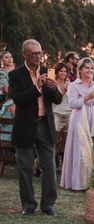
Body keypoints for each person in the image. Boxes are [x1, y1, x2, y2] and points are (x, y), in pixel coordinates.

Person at [9, 39, 62, 215]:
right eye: (34, 53)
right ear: (24, 54)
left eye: (40, 53)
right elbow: (18, 99)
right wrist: (37, 87)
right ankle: (28, 205)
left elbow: (57, 100)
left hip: (45, 125)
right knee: (24, 167)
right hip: (25, 126)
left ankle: (48, 205)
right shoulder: (16, 75)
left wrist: (55, 90)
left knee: (49, 166)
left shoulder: (49, 72)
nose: (38, 56)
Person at [61, 57, 94, 191]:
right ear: (80, 70)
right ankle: (76, 183)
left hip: (92, 117)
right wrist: (88, 97)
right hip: (79, 117)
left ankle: (89, 181)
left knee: (91, 148)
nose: (90, 70)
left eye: (92, 68)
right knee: (79, 148)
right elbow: (72, 104)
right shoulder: (74, 85)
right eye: (87, 68)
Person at [52, 63, 71, 134]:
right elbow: (55, 99)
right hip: (56, 113)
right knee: (55, 139)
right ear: (57, 72)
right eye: (61, 71)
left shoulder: (69, 83)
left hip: (68, 113)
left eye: (65, 71)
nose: (63, 73)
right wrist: (64, 91)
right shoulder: (53, 84)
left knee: (65, 141)